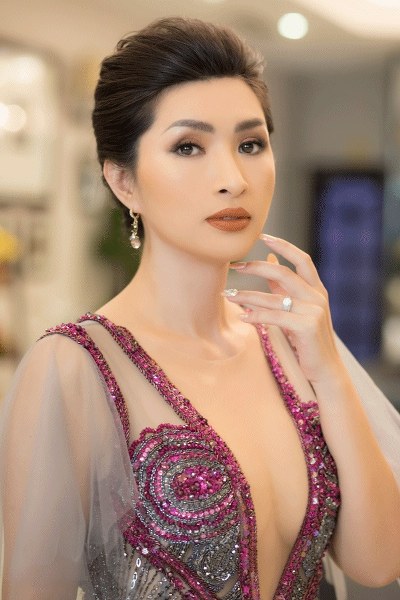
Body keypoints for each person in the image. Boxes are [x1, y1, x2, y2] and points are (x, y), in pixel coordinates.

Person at [0, 16, 399, 600]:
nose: (233, 178)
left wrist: (331, 374)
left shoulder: (289, 338)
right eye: (188, 146)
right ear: (124, 183)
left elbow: (378, 562)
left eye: (250, 144)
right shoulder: (72, 366)